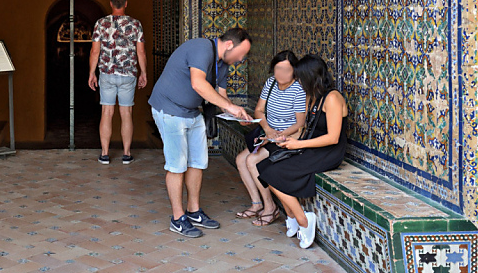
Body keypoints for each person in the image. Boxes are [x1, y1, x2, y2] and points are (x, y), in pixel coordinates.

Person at [149, 27, 252, 237]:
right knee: (177, 166)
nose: (242, 59)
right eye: (242, 53)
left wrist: (237, 115)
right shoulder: (202, 48)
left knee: (197, 162)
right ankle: (178, 218)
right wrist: (231, 108)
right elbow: (198, 83)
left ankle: (194, 211)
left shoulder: (223, 65)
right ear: (230, 44)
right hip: (169, 109)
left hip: (191, 112)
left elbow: (222, 97)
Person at [255, 54, 348, 249]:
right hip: (312, 146)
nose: (297, 82)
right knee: (264, 167)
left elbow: (333, 138)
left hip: (328, 152)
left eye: (300, 77)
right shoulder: (313, 97)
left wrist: (299, 146)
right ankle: (292, 216)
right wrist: (288, 140)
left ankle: (304, 220)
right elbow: (305, 129)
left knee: (273, 174)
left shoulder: (332, 98)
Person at [234, 50, 306, 225]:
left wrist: (277, 135)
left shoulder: (298, 89)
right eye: (278, 69)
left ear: (294, 71)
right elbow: (259, 110)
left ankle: (270, 208)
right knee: (240, 159)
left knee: (252, 160)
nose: (281, 74)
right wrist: (267, 130)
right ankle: (256, 203)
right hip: (267, 133)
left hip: (285, 137)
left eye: (287, 70)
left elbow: (300, 124)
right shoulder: (271, 83)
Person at [88, 0, 147, 165]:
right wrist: (143, 72)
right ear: (126, 3)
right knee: (126, 113)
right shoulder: (136, 24)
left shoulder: (101, 23)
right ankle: (127, 154)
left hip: (107, 73)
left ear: (111, 3)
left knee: (107, 112)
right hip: (128, 74)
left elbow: (94, 51)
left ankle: (105, 154)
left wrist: (92, 72)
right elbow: (141, 52)